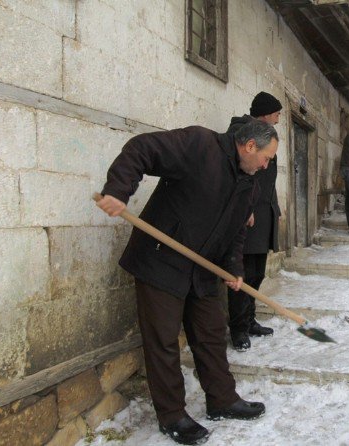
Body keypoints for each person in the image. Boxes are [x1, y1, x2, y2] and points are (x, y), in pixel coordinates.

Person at [95, 120, 278, 445]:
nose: (266, 164)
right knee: (163, 342)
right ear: (250, 146)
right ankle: (173, 416)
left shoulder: (250, 184)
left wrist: (233, 268)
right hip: (160, 260)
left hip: (202, 269)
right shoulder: (199, 145)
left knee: (210, 334)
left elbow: (236, 233)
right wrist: (118, 190)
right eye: (266, 157)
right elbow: (142, 149)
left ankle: (222, 400)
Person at [225, 92, 282, 352]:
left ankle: (248, 320)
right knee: (242, 273)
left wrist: (273, 209)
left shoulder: (265, 136)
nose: (279, 119)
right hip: (249, 213)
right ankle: (237, 328)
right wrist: (243, 205)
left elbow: (267, 180)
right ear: (266, 112)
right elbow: (237, 173)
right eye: (277, 113)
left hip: (263, 211)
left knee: (257, 272)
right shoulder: (242, 132)